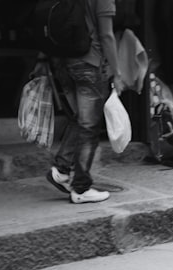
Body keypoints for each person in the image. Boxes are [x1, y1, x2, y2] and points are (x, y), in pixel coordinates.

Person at [46, 0, 124, 204]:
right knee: (89, 128)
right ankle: (81, 187)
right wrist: (117, 72)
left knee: (78, 118)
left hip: (64, 63)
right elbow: (106, 36)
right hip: (88, 64)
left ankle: (61, 170)